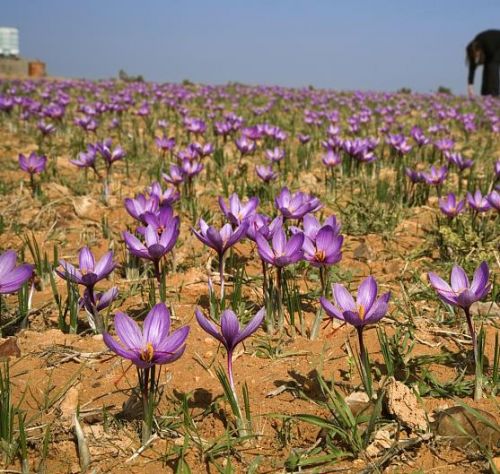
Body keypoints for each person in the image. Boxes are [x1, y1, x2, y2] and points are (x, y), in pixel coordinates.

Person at [466, 29, 500, 97]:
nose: (477, 58)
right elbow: (472, 68)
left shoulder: (486, 44)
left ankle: (493, 95)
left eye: (477, 55)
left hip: (496, 46)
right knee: (488, 67)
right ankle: (485, 94)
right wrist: (470, 85)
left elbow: (493, 61)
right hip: (492, 49)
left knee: (492, 66)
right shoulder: (473, 50)